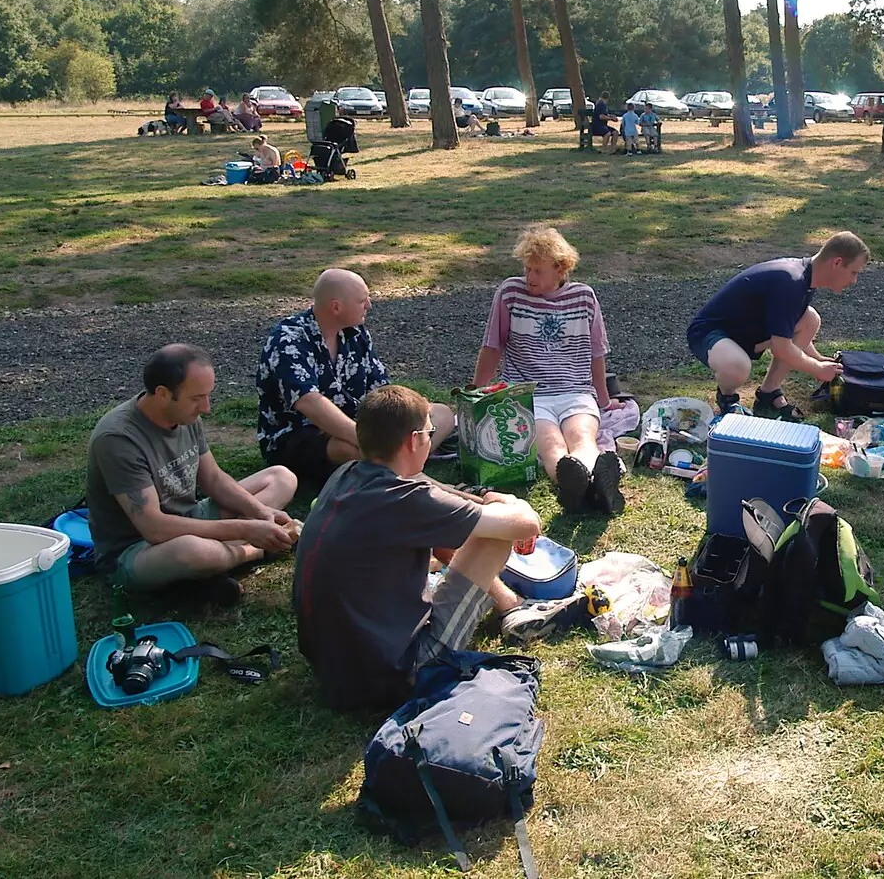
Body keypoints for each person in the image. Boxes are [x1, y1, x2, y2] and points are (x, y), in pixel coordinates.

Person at [293, 384, 585, 711]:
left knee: (453, 529)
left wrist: (485, 498)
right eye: (431, 432)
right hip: (396, 676)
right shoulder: (406, 500)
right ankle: (510, 611)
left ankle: (511, 607)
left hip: (331, 669)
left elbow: (434, 492)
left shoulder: (347, 474)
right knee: (492, 537)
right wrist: (512, 501)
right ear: (414, 440)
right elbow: (525, 524)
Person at [86, 344, 296, 602]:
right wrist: (246, 528)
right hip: (138, 548)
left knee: (281, 477)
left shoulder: (185, 416)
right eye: (196, 398)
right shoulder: (118, 439)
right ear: (162, 393)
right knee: (194, 551)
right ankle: (252, 552)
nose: (206, 408)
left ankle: (213, 566)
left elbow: (214, 479)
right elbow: (154, 528)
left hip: (189, 517)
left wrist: (261, 513)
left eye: (207, 396)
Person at [473, 226, 625, 514]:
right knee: (551, 443)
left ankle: (589, 485)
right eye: (526, 269)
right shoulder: (510, 293)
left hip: (575, 391)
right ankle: (579, 486)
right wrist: (475, 393)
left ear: (560, 268)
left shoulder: (584, 297)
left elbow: (596, 354)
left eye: (537, 271)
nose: (529, 278)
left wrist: (604, 401)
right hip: (528, 393)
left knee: (582, 437)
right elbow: (492, 347)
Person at [256, 268, 454, 489]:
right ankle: (411, 472)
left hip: (358, 424)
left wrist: (412, 408)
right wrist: (369, 442)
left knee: (441, 414)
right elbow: (310, 403)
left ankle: (398, 464)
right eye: (362, 300)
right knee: (352, 449)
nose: (369, 305)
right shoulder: (288, 339)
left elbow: (381, 389)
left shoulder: (356, 333)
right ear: (336, 307)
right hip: (300, 435)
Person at [687, 231, 869, 420]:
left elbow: (788, 329)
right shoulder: (792, 282)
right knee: (738, 366)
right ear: (837, 263)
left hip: (745, 332)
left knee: (809, 319)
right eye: (854, 272)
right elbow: (782, 347)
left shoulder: (804, 278)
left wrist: (818, 358)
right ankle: (727, 398)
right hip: (708, 333)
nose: (854, 280)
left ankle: (768, 392)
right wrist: (817, 368)